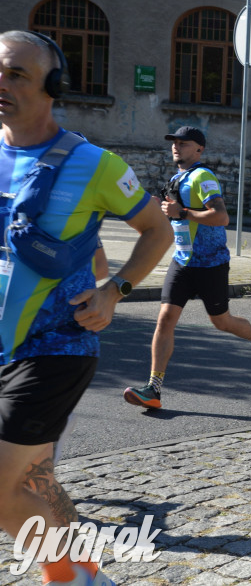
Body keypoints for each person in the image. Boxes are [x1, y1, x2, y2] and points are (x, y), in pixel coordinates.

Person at [0, 30, 173, 586]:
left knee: (4, 489)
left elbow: (158, 229)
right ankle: (83, 570)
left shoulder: (92, 163)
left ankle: (73, 578)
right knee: (35, 481)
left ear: (53, 87)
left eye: (16, 75)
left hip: (57, 345)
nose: (1, 84)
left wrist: (114, 290)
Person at [124, 126, 251, 411]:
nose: (176, 147)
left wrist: (181, 212)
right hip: (183, 261)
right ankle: (153, 388)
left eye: (184, 143)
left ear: (199, 149)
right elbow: (176, 219)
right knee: (165, 319)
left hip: (211, 264)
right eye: (174, 142)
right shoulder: (177, 178)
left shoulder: (203, 177)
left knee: (221, 322)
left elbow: (221, 217)